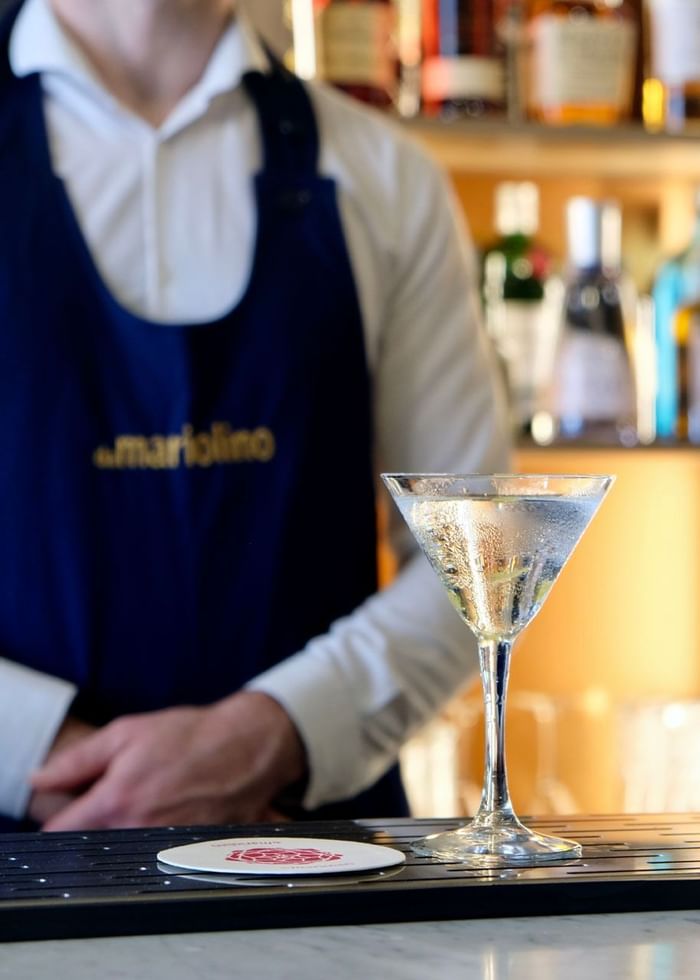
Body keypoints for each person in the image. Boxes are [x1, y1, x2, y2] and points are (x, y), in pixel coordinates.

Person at [0, 0, 510, 832]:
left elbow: (475, 554)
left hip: (315, 868)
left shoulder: (388, 178)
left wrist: (268, 734)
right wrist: (38, 755)